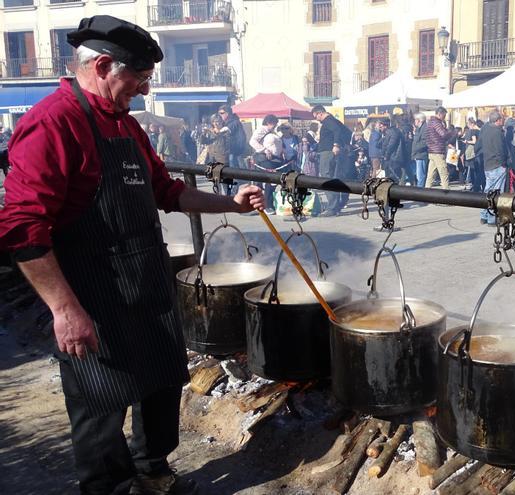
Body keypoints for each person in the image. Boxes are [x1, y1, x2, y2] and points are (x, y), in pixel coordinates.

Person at [0, 15, 265, 495]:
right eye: (139, 80)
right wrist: (64, 309)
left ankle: (152, 470)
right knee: (99, 403)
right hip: (90, 292)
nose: (143, 91)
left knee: (161, 382)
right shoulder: (52, 123)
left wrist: (230, 204)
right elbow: (21, 227)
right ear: (103, 65)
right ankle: (111, 487)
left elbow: (167, 191)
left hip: (145, 281)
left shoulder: (124, 124)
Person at [311, 105, 352, 216]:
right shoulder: (334, 120)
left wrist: (336, 144)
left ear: (320, 113)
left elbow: (337, 130)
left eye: (316, 116)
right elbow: (348, 132)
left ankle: (332, 208)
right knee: (335, 177)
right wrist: (345, 144)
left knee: (326, 178)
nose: (316, 119)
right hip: (331, 152)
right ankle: (336, 205)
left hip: (328, 152)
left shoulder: (328, 121)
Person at [476, 110, 507, 225]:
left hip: (487, 163)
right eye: (502, 119)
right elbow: (501, 150)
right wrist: (504, 162)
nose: (503, 121)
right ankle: (491, 218)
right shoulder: (497, 132)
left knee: (487, 190)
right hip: (496, 164)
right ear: (498, 120)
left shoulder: (485, 129)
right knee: (495, 192)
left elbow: (478, 146)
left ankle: (484, 215)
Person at [425, 106, 457, 190]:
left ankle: (426, 193)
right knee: (444, 173)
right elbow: (443, 134)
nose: (445, 117)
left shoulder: (430, 122)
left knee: (431, 175)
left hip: (431, 151)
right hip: (438, 151)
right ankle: (446, 194)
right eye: (444, 115)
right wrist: (452, 132)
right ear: (440, 114)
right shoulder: (436, 123)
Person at [218, 104, 248, 169]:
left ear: (228, 113)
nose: (220, 115)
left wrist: (216, 132)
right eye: (219, 113)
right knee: (235, 165)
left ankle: (244, 179)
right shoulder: (228, 121)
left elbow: (226, 129)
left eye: (222, 113)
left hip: (237, 149)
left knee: (238, 166)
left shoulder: (234, 121)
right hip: (232, 149)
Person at [462, 117, 481, 191]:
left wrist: (467, 142)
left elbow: (474, 141)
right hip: (478, 151)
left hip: (472, 152)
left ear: (472, 124)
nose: (468, 126)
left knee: (473, 169)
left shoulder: (473, 130)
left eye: (468, 124)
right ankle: (477, 185)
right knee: (477, 170)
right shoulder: (480, 130)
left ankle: (475, 185)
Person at [411, 113, 428, 187]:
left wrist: (415, 149)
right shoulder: (419, 128)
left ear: (420, 120)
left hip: (421, 154)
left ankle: (420, 191)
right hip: (417, 154)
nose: (414, 121)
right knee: (418, 175)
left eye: (415, 120)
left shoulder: (424, 128)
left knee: (420, 175)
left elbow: (424, 142)